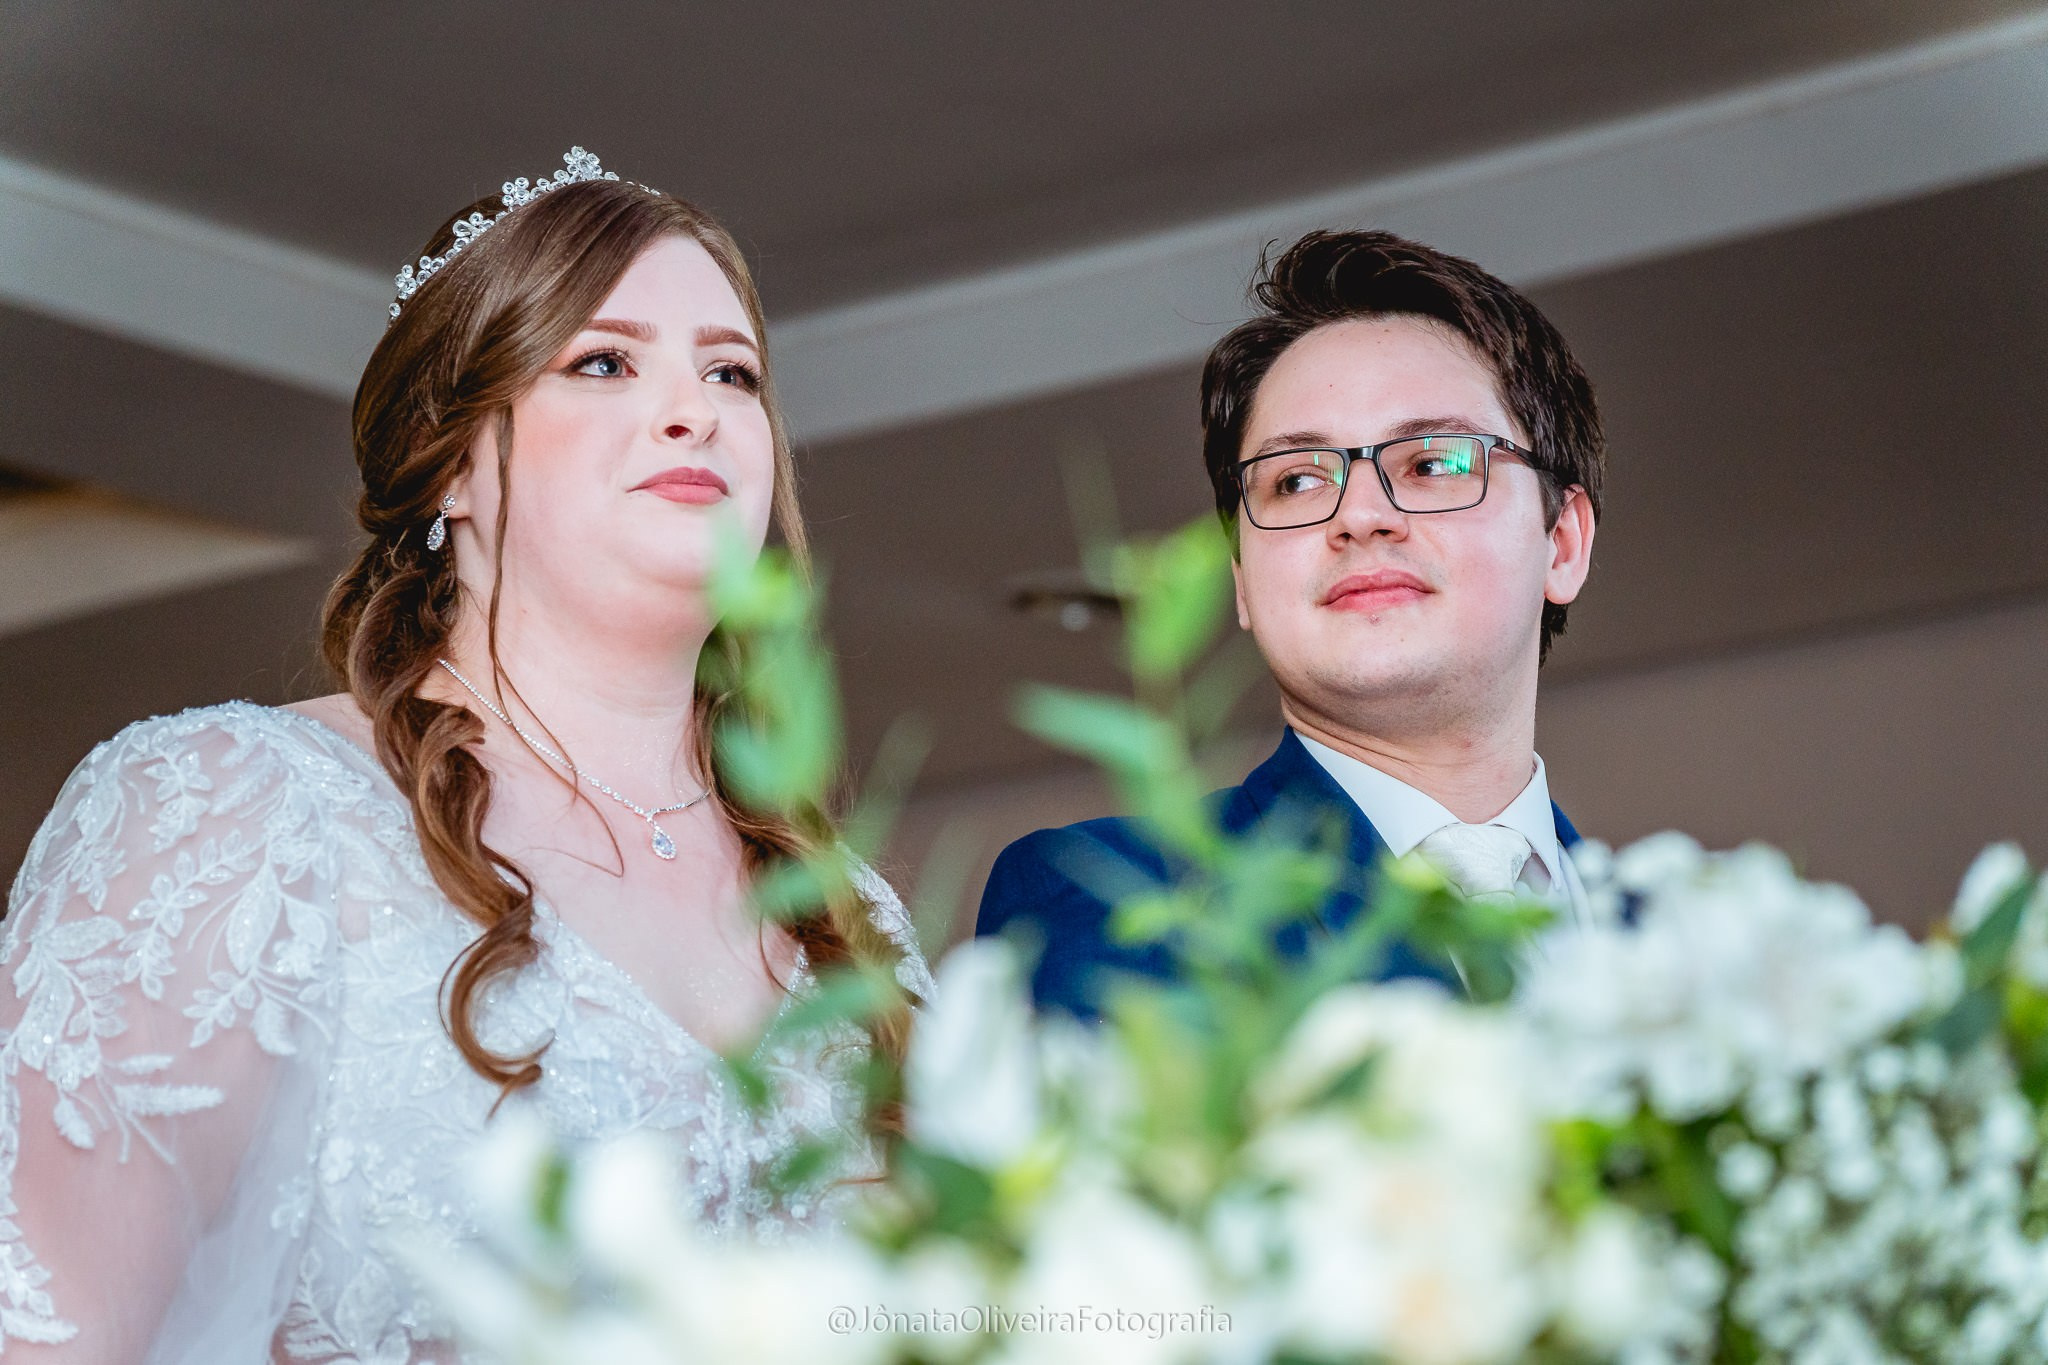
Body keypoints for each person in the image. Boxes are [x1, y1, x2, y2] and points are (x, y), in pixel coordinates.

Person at [0, 148, 930, 1362]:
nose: (695, 409)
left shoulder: (848, 915)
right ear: (448, 461)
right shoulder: (235, 814)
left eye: (731, 372)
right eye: (603, 361)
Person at [978, 229, 1601, 1018]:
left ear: (1563, 542)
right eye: (1298, 480)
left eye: (1432, 463)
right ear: (1241, 578)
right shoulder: (1111, 894)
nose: (1361, 516)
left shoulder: (1697, 947)